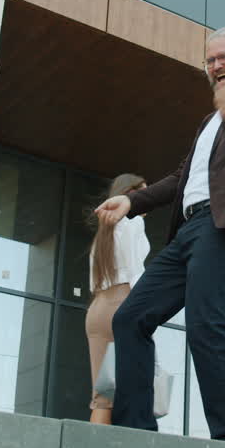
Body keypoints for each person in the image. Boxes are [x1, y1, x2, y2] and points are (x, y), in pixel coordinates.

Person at [95, 25, 225, 442]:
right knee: (130, 318)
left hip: (224, 227)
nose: (216, 65)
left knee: (206, 326)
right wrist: (132, 202)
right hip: (188, 232)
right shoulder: (208, 121)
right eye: (210, 59)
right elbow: (181, 177)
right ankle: (135, 429)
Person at [85, 173, 148, 425]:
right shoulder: (133, 223)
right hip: (122, 302)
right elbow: (136, 275)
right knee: (132, 392)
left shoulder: (103, 233)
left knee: (102, 396)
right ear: (128, 195)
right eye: (142, 193)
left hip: (97, 309)